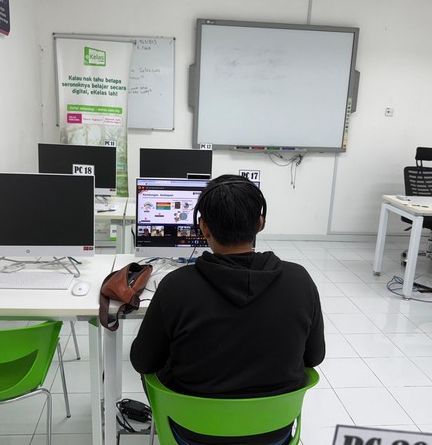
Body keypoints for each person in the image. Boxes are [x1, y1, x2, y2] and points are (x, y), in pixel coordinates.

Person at [130, 174, 325, 445]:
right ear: (260, 223)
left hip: (191, 435)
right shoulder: (299, 280)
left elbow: (142, 362)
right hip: (273, 435)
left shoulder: (175, 286)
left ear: (203, 227)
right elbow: (314, 356)